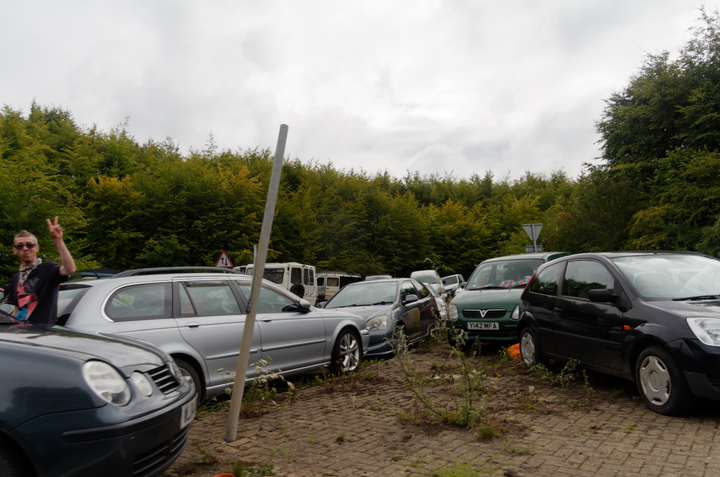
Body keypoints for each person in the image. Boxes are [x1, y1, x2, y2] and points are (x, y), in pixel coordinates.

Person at [6, 217, 77, 327]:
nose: (25, 248)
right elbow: (16, 309)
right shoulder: (17, 277)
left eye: (29, 245)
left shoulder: (47, 268)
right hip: (20, 335)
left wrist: (58, 240)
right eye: (20, 245)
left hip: (41, 335)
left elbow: (70, 269)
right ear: (14, 250)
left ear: (37, 248)